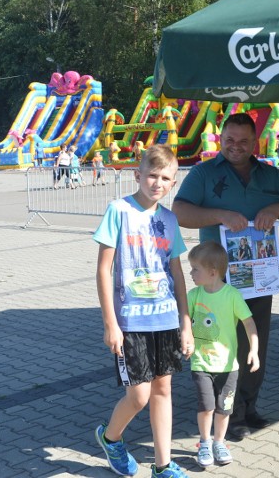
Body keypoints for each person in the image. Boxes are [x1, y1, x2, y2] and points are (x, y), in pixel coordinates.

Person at [172, 112, 279, 441]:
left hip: (258, 276)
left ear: (255, 143)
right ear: (220, 138)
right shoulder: (204, 173)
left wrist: (276, 210)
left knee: (253, 342)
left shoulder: (269, 175)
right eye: (229, 139)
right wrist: (219, 213)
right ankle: (222, 413)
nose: (236, 146)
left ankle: (247, 407)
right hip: (216, 279)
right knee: (218, 343)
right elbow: (179, 211)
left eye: (244, 141)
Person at [93, 144, 193, 478]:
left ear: (173, 182)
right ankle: (111, 438)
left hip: (165, 320)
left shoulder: (169, 219)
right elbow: (103, 270)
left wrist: (186, 323)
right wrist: (111, 323)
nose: (158, 183)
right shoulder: (118, 210)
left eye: (166, 178)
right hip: (130, 322)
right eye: (152, 175)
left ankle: (163, 466)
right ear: (138, 175)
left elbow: (176, 273)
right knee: (138, 395)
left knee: (163, 390)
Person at [186, 241, 259, 468]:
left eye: (195, 269)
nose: (191, 273)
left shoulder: (232, 295)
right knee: (206, 406)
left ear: (212, 272)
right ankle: (205, 442)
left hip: (228, 366)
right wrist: (184, 337)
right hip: (201, 363)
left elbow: (249, 323)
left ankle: (219, 442)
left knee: (223, 408)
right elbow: (185, 319)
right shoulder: (194, 295)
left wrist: (254, 350)